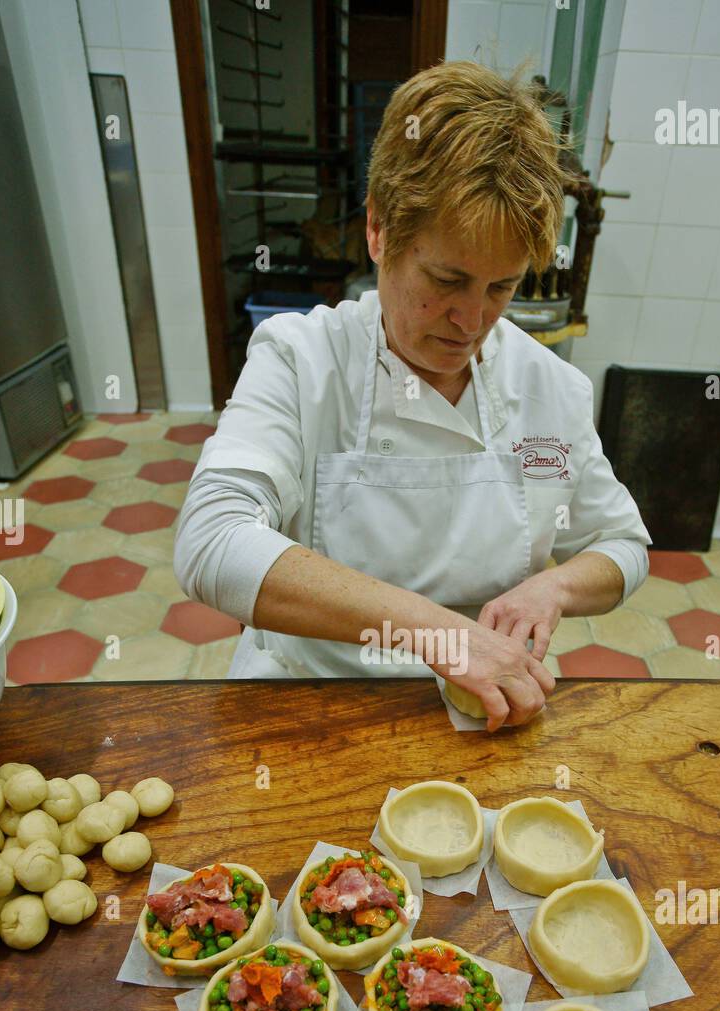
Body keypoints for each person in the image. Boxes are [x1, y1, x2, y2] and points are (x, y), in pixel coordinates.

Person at [174, 61, 651, 731]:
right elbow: (211, 543)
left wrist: (556, 586)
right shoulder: (304, 361)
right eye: (446, 279)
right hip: (308, 705)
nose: (471, 321)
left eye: (500, 288)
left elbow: (623, 544)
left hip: (476, 715)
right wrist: (444, 637)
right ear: (378, 230)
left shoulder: (547, 391)